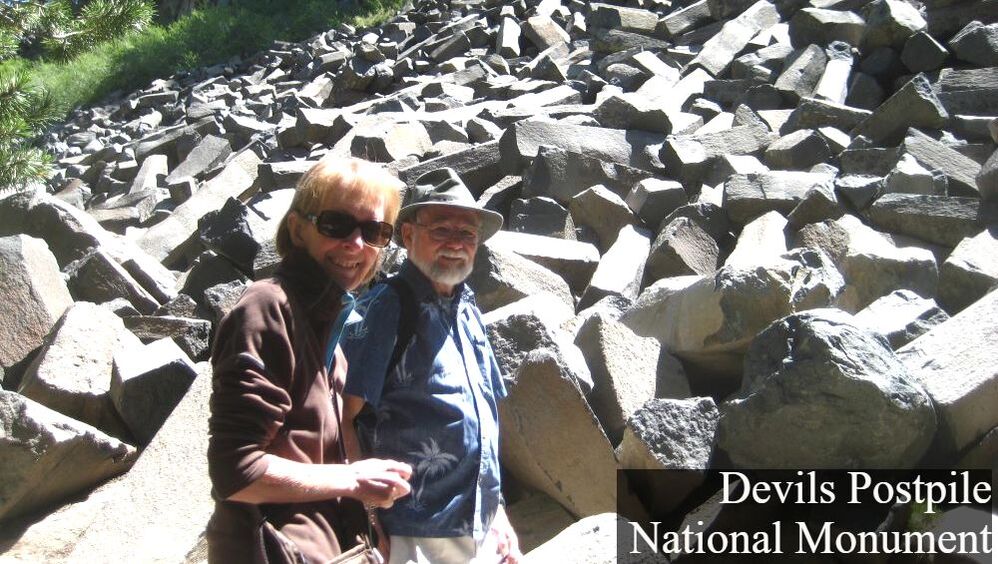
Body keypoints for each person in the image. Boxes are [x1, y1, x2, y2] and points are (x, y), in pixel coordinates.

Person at [206, 157, 413, 563]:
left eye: (374, 231)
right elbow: (235, 470)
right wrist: (353, 479)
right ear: (298, 229)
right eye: (336, 224)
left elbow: (320, 451)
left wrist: (371, 521)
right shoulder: (268, 307)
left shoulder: (328, 322)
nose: (356, 245)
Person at [341, 168, 522, 564]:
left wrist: (499, 513)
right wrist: (367, 515)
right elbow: (342, 417)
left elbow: (485, 418)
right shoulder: (387, 308)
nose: (456, 244)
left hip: (482, 529)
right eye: (442, 230)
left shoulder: (468, 307)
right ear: (408, 236)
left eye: (467, 234)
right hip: (414, 532)